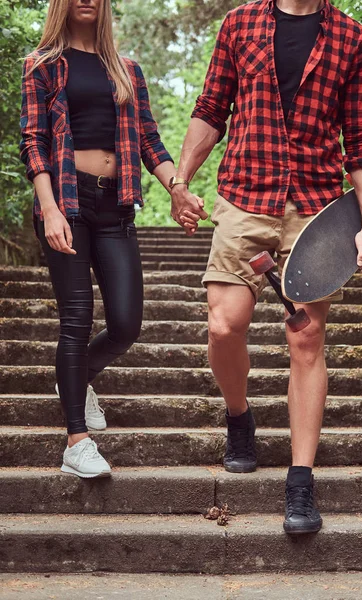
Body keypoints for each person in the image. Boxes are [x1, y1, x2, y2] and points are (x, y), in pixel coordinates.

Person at [171, 0, 362, 533]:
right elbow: (211, 106)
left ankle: (300, 481)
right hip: (245, 194)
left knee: (306, 338)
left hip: (315, 208)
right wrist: (181, 182)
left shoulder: (353, 38)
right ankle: (240, 415)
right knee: (224, 324)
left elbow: (361, 137)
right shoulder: (240, 23)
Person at [20, 0, 182, 478]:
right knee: (76, 315)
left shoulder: (126, 68)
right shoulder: (43, 65)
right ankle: (77, 441)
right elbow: (34, 139)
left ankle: (75, 378)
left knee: (127, 324)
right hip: (65, 202)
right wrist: (49, 208)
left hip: (116, 204)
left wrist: (177, 188)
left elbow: (150, 139)